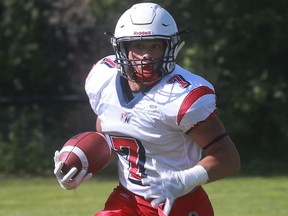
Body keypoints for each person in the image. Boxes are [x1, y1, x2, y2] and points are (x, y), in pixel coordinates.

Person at [54, 2, 240, 216]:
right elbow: (108, 141)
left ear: (170, 47)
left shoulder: (182, 96)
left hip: (179, 202)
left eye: (155, 46)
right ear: (122, 48)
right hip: (128, 198)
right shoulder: (103, 80)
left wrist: (185, 180)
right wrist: (80, 167)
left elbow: (228, 158)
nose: (146, 55)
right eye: (138, 46)